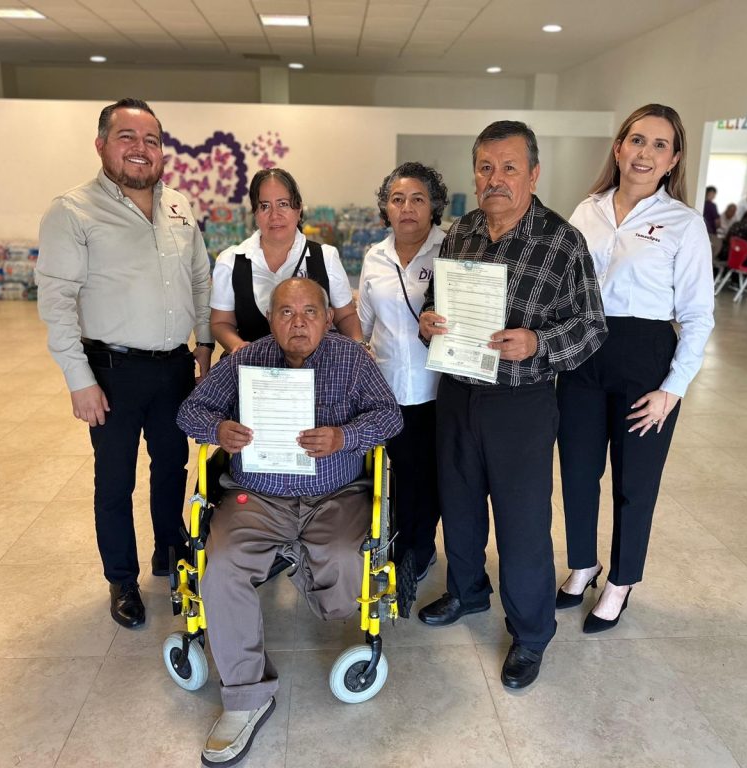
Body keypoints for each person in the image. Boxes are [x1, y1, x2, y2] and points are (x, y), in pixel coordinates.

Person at [176, 277, 402, 766]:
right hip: (257, 497)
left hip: (335, 494)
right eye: (285, 312)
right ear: (270, 319)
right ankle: (245, 697)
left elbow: (390, 417)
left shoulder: (352, 359)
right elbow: (190, 411)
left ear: (328, 317)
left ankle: (304, 564)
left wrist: (345, 437)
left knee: (343, 570)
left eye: (309, 312)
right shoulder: (245, 360)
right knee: (223, 567)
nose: (298, 322)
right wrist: (217, 428)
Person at [415, 121, 607, 690]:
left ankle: (531, 633)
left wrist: (538, 343)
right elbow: (436, 299)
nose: (495, 179)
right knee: (460, 504)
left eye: (509, 168)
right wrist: (429, 320)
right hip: (457, 391)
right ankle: (468, 591)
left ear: (533, 174)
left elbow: (592, 326)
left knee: (522, 524)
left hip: (521, 402)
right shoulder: (462, 232)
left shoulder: (562, 241)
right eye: (485, 168)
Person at [36, 98, 212, 630]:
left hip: (174, 367)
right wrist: (79, 380)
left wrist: (204, 346)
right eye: (127, 137)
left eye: (151, 140)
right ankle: (122, 579)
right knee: (114, 481)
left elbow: (199, 278)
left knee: (171, 467)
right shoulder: (72, 211)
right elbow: (57, 301)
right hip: (110, 371)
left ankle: (169, 554)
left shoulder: (179, 206)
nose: (141, 149)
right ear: (101, 145)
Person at [558, 104, 715, 633]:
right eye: (637, 140)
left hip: (645, 359)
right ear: (619, 147)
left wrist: (672, 390)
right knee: (578, 472)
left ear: (673, 160)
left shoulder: (684, 224)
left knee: (634, 481)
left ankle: (621, 581)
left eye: (659, 145)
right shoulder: (586, 211)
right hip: (581, 354)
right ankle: (583, 564)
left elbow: (698, 316)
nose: (645, 153)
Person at [357, 162, 447, 594]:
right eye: (397, 200)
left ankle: (420, 547)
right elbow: (363, 323)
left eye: (417, 199)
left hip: (437, 389)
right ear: (386, 208)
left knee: (428, 476)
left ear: (433, 206)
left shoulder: (450, 249)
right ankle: (397, 541)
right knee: (392, 474)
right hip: (387, 390)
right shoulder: (374, 257)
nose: (407, 208)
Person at [210, 167, 363, 353]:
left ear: (298, 209)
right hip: (253, 367)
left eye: (283, 204)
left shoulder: (325, 257)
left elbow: (345, 316)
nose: (274, 215)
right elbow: (221, 322)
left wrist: (359, 349)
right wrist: (238, 346)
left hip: (317, 369)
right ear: (255, 214)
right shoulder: (231, 261)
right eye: (264, 206)